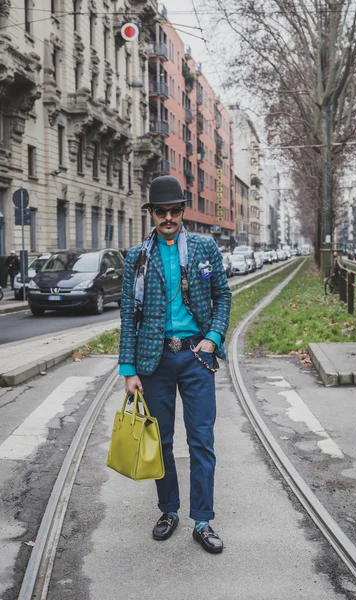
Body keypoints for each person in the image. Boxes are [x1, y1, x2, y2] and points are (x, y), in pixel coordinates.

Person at [119, 175, 231, 554]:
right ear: (150, 213)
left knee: (202, 440)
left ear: (183, 211)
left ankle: (203, 520)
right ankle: (168, 510)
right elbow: (127, 317)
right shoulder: (136, 257)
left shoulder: (205, 247)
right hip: (154, 361)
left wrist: (211, 339)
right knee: (161, 441)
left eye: (174, 210)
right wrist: (128, 369)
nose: (168, 217)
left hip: (196, 356)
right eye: (160, 211)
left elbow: (223, 297)